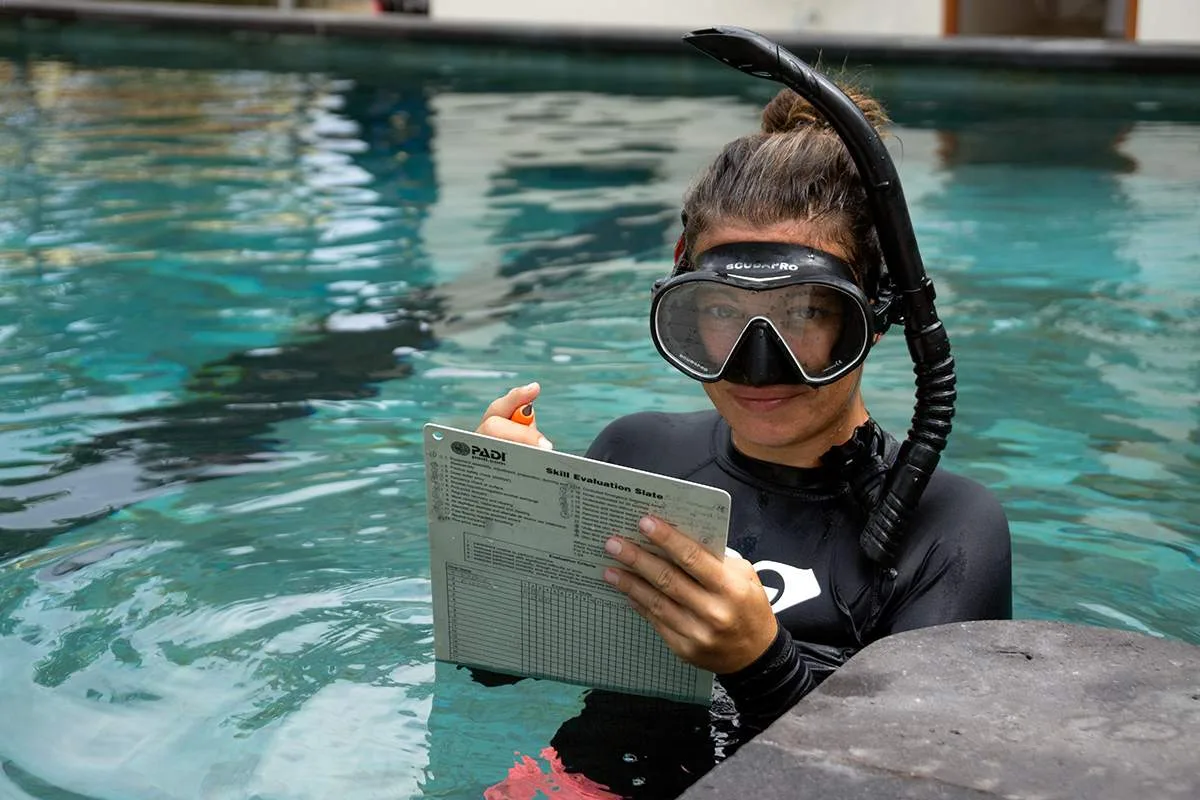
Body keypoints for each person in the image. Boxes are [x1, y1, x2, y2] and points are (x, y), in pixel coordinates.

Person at [472, 27, 1012, 798]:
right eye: (719, 311)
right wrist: (509, 523)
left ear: (879, 315)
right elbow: (494, 676)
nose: (758, 366)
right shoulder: (635, 455)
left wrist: (763, 664)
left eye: (804, 314)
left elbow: (921, 784)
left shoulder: (949, 529)